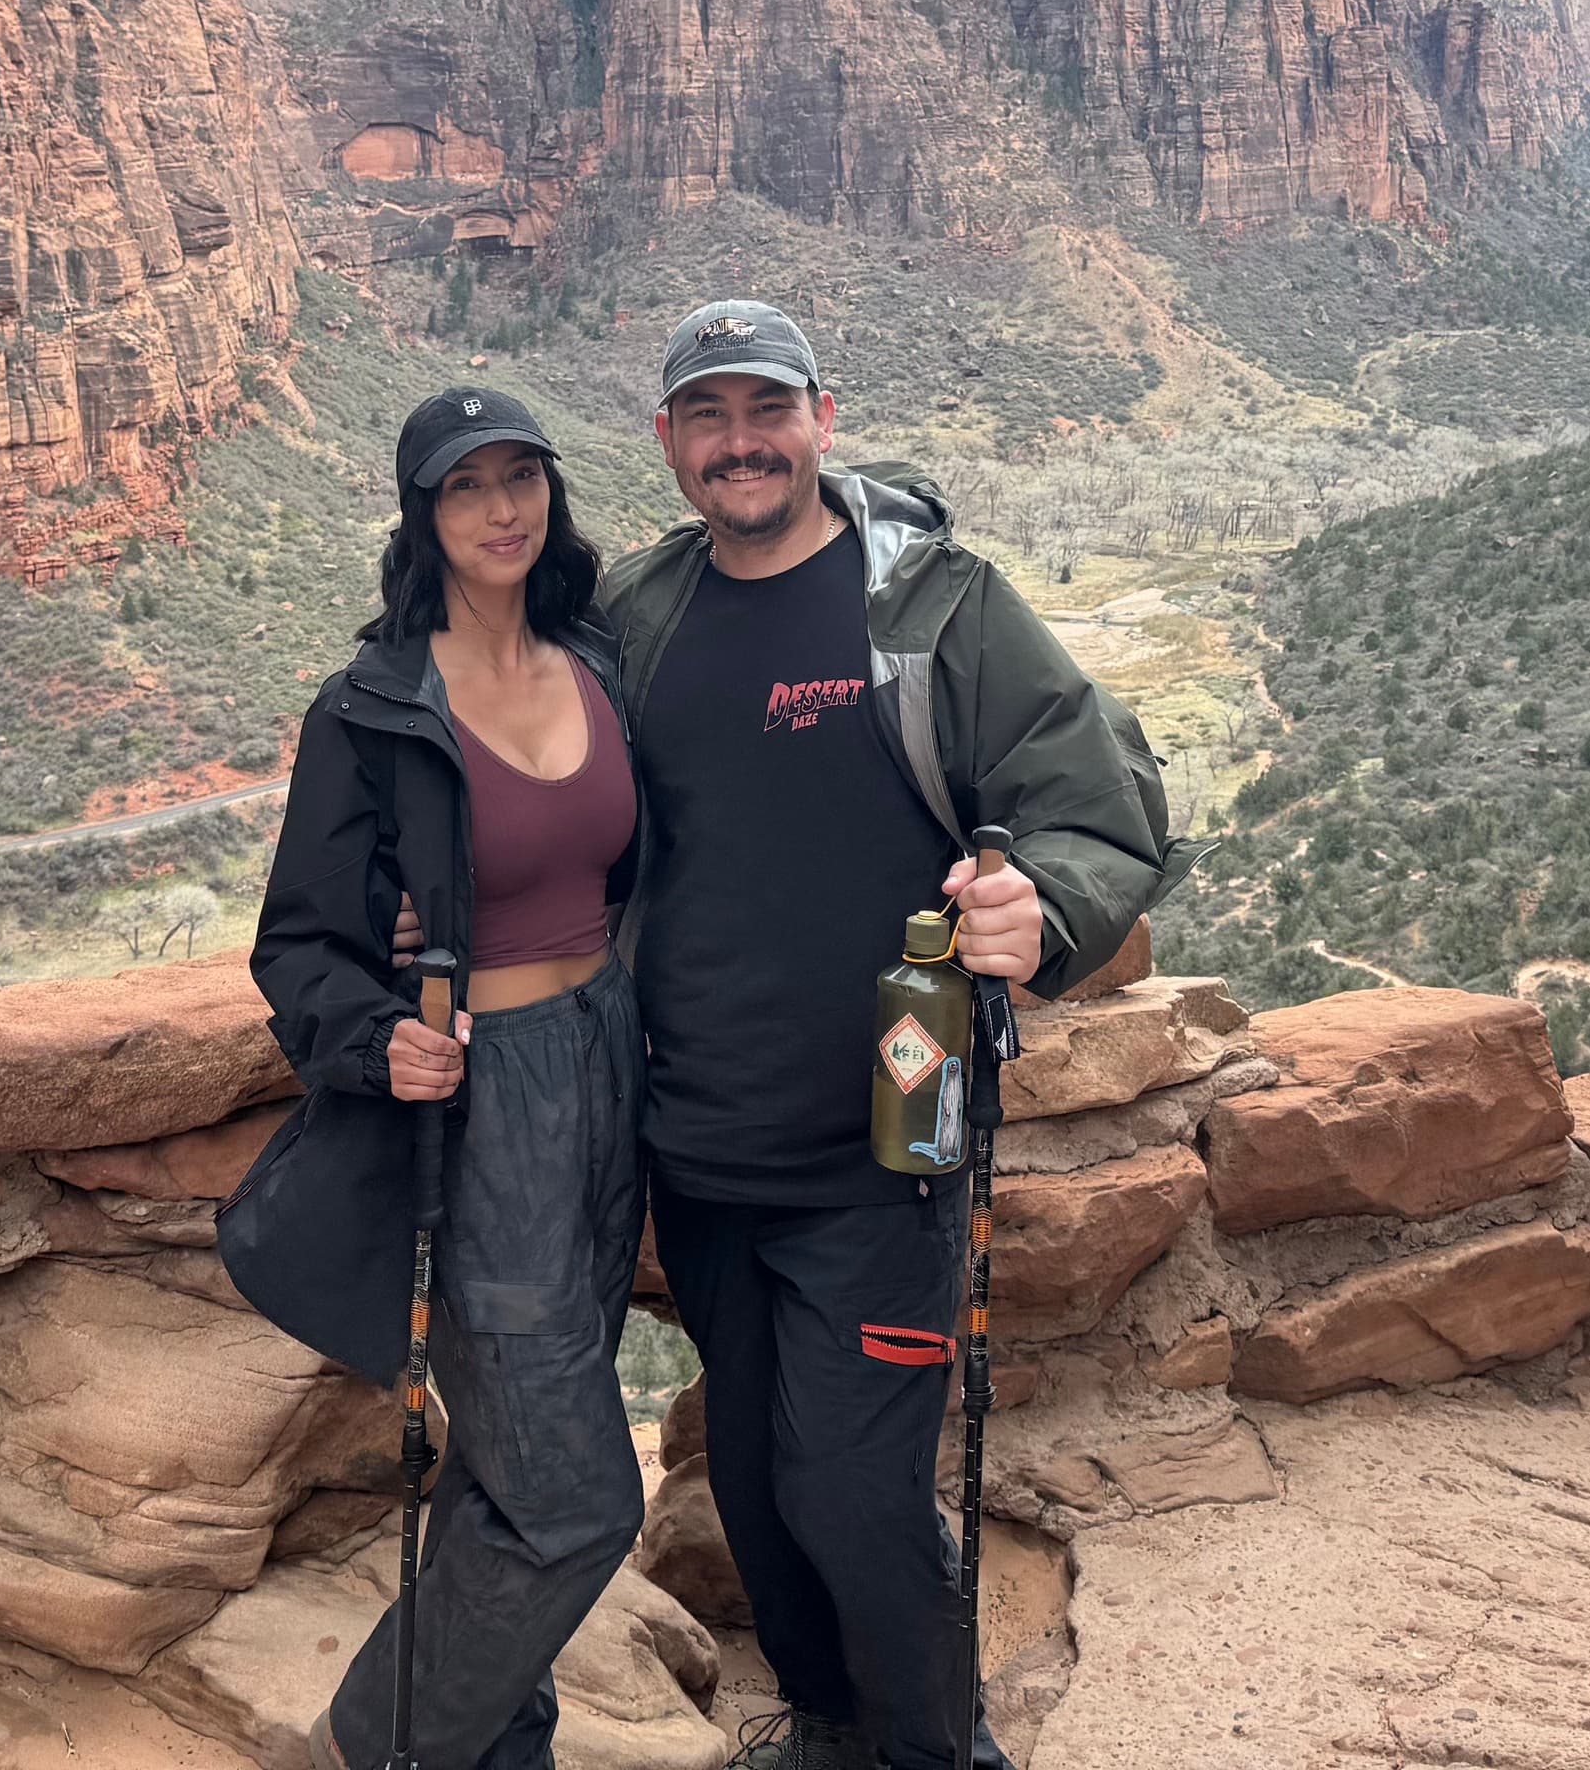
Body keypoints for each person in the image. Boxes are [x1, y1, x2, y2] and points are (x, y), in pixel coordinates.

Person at [607, 298, 1174, 1770]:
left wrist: (1038, 911)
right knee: (751, 1476)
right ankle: (833, 1721)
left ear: (822, 418)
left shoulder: (935, 609)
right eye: (710, 417)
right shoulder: (641, 622)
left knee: (855, 1489)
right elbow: (555, 809)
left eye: (767, 410)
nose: (742, 444)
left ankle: (940, 1750)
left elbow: (1102, 802)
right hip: (699, 1144)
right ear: (670, 441)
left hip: (888, 1146)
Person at [229, 385, 648, 1770]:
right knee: (575, 1501)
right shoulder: (371, 709)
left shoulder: (595, 660)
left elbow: (635, 870)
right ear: (424, 514)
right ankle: (364, 1749)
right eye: (466, 485)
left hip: (608, 1072)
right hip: (482, 1110)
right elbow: (301, 944)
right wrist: (374, 1038)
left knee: (504, 1468)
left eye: (523, 475)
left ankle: (493, 1749)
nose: (501, 508)